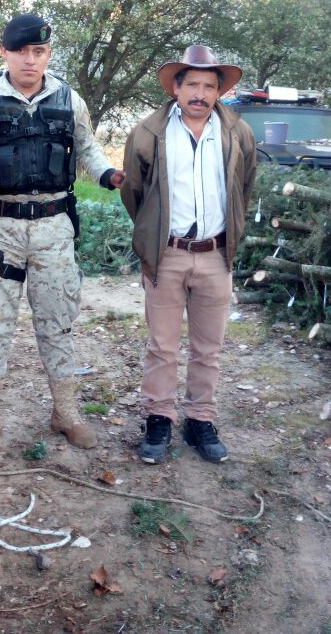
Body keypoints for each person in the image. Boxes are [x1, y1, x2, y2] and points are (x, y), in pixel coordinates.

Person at [0, 14, 124, 453]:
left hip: (53, 229)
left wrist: (108, 175)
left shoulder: (68, 99)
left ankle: (65, 413)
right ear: (4, 53)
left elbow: (88, 149)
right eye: (21, 51)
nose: (30, 60)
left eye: (39, 52)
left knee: (58, 321)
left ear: (48, 55)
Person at [120, 45, 257, 463]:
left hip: (216, 254)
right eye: (192, 84)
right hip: (168, 254)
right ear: (176, 88)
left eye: (209, 86)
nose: (200, 93)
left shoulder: (237, 133)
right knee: (162, 346)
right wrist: (154, 234)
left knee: (208, 347)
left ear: (218, 92)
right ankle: (159, 419)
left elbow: (244, 188)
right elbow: (135, 194)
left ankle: (200, 420)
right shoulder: (149, 132)